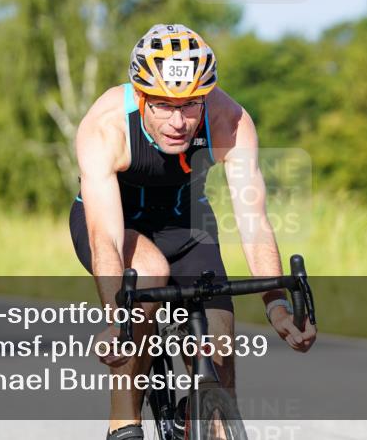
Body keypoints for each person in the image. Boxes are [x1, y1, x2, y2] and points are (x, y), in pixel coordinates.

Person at [70, 23, 317, 439]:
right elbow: (105, 239)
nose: (178, 121)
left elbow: (253, 220)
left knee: (219, 341)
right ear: (141, 95)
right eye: (164, 105)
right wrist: (117, 320)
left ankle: (205, 419)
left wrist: (276, 305)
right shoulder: (106, 124)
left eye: (190, 106)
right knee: (147, 273)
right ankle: (123, 420)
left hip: (186, 227)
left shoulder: (229, 119)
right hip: (118, 226)